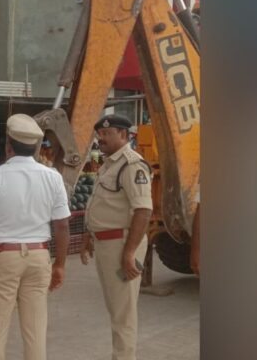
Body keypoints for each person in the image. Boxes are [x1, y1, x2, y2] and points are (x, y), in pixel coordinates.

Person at [0, 114, 71, 360]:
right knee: (35, 331)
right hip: (38, 257)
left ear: (8, 146)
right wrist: (60, 265)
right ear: (36, 148)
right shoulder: (53, 177)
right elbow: (63, 226)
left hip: (3, 258)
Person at [80, 115, 153, 360]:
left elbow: (143, 210)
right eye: (100, 134)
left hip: (120, 245)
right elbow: (102, 205)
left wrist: (129, 253)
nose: (101, 138)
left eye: (107, 134)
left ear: (123, 135)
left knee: (123, 315)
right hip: (106, 244)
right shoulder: (109, 164)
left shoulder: (132, 165)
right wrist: (88, 238)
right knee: (117, 311)